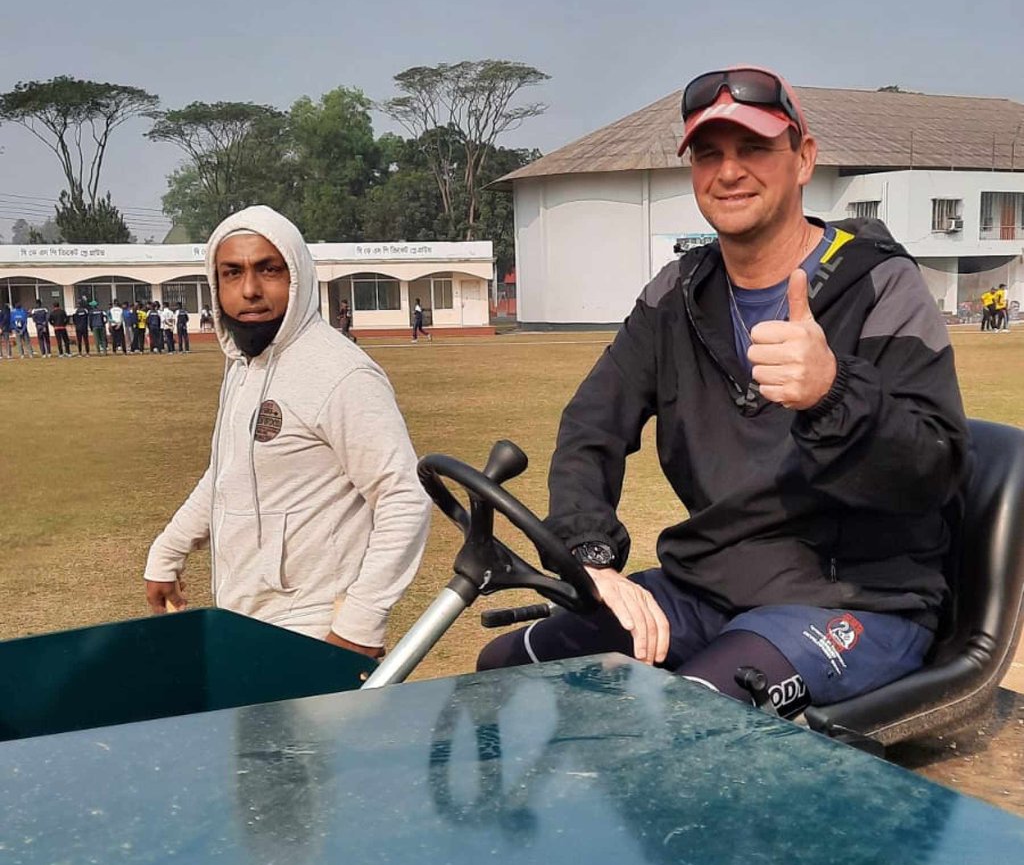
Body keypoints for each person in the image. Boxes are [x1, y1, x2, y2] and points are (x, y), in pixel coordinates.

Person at [478, 67, 969, 719]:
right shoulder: (677, 295)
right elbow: (590, 429)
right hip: (705, 589)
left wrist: (833, 393)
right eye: (709, 154)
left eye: (755, 148)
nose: (728, 171)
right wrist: (588, 559)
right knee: (502, 673)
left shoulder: (881, 286)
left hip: (856, 602)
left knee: (693, 725)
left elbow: (933, 470)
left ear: (804, 158)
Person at [144, 206, 432, 657]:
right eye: (232, 273)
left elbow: (403, 496)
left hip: (317, 626)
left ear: (297, 275)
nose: (250, 290)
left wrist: (359, 624)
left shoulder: (342, 373)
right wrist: (168, 551)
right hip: (244, 620)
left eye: (268, 270)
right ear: (214, 284)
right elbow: (227, 473)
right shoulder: (243, 365)